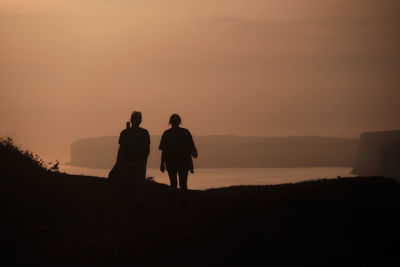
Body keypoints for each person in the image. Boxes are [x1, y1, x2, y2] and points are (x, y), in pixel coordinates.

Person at [109, 111, 150, 213]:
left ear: (131, 120)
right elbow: (147, 149)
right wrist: (144, 160)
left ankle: (130, 208)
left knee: (128, 186)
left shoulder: (125, 133)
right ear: (140, 121)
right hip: (138, 163)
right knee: (138, 187)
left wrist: (118, 164)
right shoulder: (144, 133)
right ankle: (137, 207)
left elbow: (121, 150)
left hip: (127, 163)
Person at [159, 114, 198, 191]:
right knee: (183, 185)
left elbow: (163, 150)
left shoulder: (167, 133)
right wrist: (193, 159)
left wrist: (162, 164)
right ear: (179, 122)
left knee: (173, 184)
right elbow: (191, 148)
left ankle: (175, 201)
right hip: (183, 162)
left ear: (170, 122)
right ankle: (183, 201)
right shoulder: (185, 132)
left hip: (171, 162)